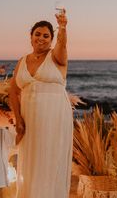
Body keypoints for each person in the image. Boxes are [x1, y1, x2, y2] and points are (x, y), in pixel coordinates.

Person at [9, 11, 72, 198]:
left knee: (50, 161)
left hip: (54, 116)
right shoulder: (22, 60)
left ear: (52, 39)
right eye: (37, 34)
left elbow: (63, 44)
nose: (41, 38)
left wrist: (62, 27)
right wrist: (18, 119)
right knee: (30, 162)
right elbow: (13, 91)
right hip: (29, 118)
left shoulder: (57, 57)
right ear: (30, 37)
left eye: (46, 36)